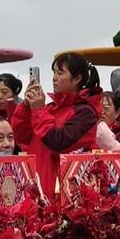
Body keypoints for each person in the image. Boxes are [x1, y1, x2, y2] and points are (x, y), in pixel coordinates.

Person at [22, 52, 106, 190]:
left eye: (60, 73)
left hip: (62, 191)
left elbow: (59, 143)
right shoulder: (48, 108)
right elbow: (22, 137)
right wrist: (26, 107)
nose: (54, 78)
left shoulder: (85, 113)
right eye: (54, 73)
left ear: (77, 79)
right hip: (35, 184)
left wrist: (38, 111)